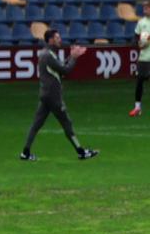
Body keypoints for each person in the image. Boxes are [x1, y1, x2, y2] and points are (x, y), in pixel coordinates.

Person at [19, 28, 100, 161]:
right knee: (66, 123)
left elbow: (59, 68)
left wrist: (71, 57)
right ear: (51, 40)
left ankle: (25, 153)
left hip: (45, 95)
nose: (60, 40)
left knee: (36, 124)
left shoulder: (47, 53)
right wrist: (74, 57)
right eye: (57, 38)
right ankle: (81, 152)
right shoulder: (48, 55)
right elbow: (65, 70)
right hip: (53, 97)